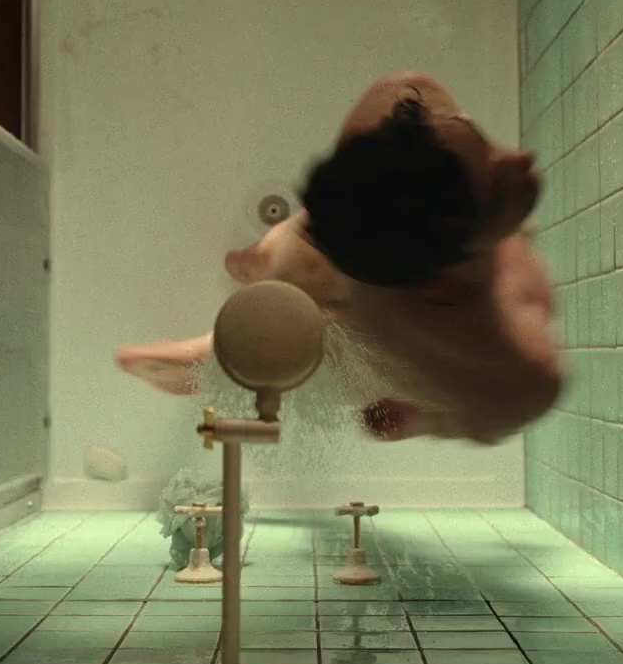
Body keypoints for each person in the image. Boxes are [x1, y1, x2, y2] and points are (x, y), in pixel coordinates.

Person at [115, 71, 563, 444]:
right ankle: (241, 304)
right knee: (309, 291)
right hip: (360, 289)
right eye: (498, 191)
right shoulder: (400, 113)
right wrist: (426, 420)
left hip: (354, 294)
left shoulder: (398, 101)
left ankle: (239, 306)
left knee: (311, 292)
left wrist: (424, 421)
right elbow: (503, 410)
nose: (521, 157)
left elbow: (499, 411)